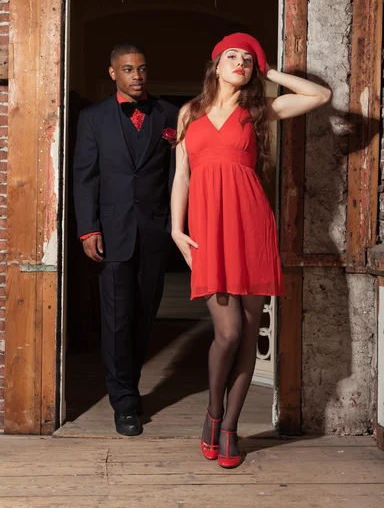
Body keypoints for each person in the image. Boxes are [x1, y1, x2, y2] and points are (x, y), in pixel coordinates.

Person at [171, 32, 331, 468]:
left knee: (246, 334)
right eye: (232, 56)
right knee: (227, 333)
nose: (240, 62)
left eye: (247, 59)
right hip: (208, 229)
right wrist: (175, 229)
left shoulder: (258, 111)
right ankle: (213, 411)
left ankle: (229, 429)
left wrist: (272, 70)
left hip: (252, 227)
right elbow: (182, 175)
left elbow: (320, 95)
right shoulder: (190, 113)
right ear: (215, 64)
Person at [73, 42, 178, 436]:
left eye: (143, 69)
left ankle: (129, 385)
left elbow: (176, 175)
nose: (137, 76)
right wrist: (89, 228)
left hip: (154, 231)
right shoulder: (93, 118)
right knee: (116, 320)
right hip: (111, 233)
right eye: (129, 70)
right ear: (114, 73)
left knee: (144, 317)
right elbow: (85, 177)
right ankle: (125, 403)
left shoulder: (169, 114)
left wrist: (175, 224)